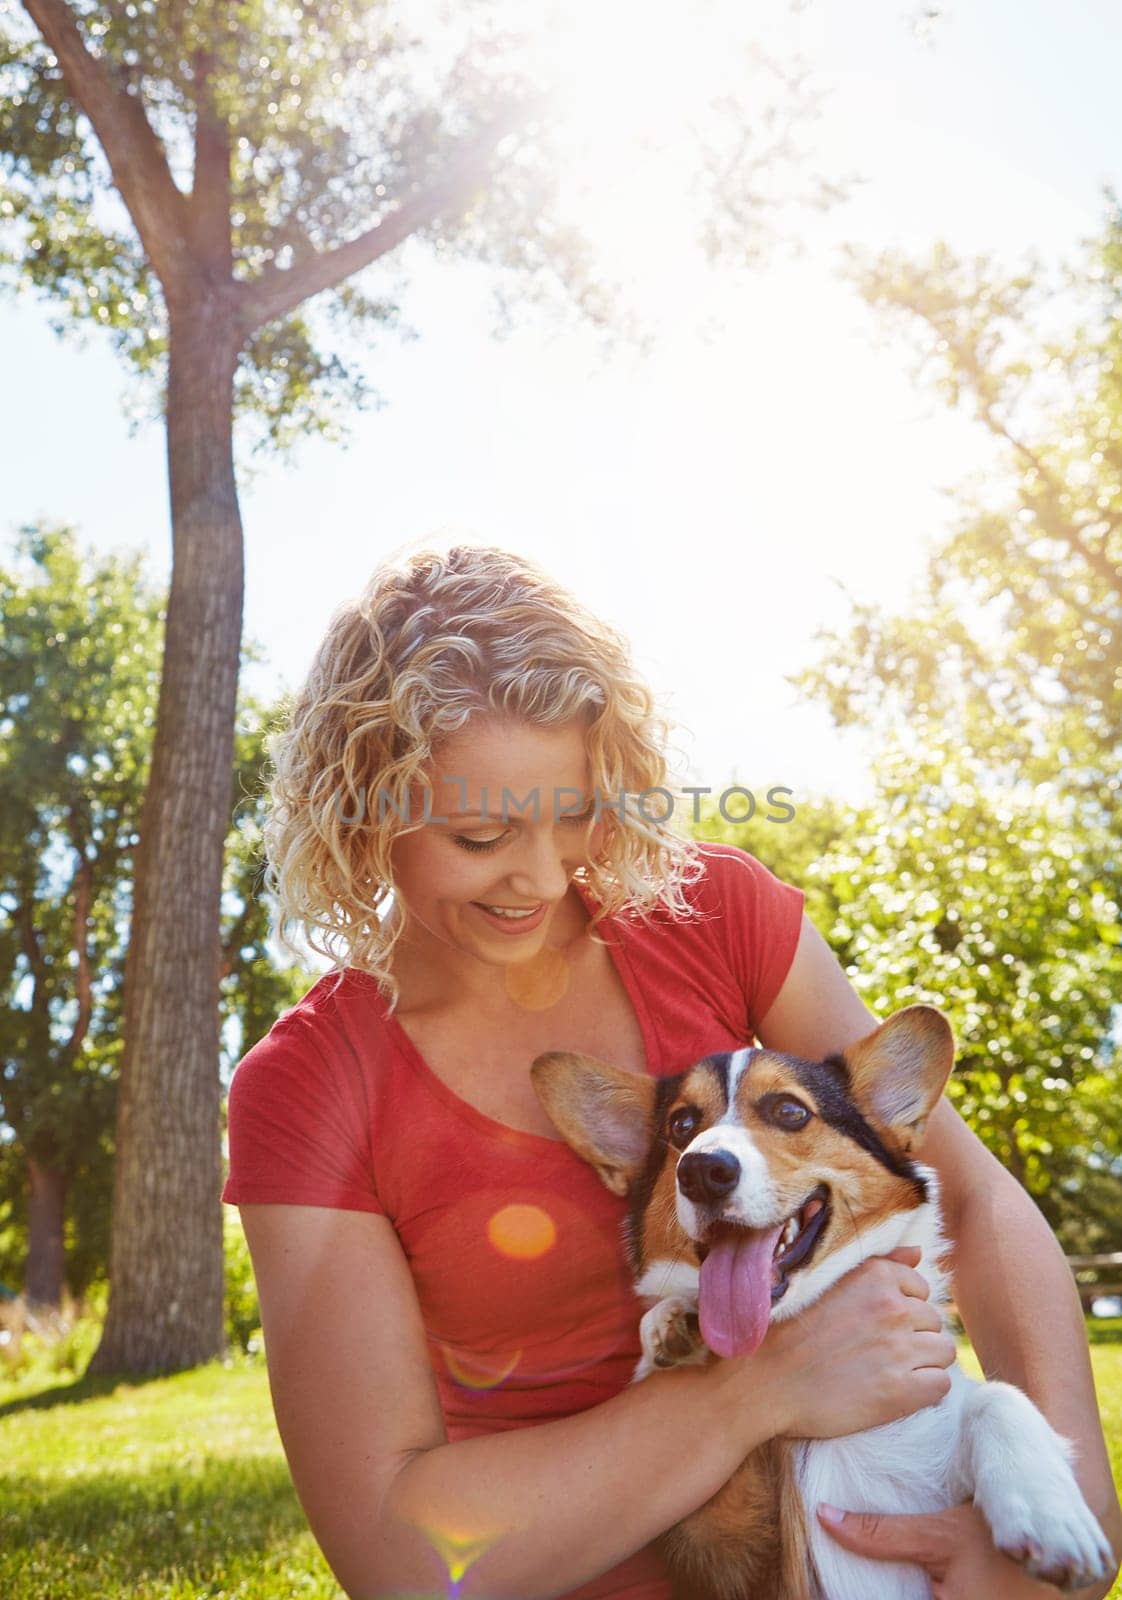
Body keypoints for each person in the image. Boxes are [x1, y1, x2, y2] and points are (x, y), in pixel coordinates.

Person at [221, 541, 1120, 1600]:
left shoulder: (715, 915)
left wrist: (1065, 1521)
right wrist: (758, 1391)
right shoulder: (310, 1086)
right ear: (363, 807)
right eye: (480, 834)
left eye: (577, 813)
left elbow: (967, 1193)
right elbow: (396, 1550)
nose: (543, 879)